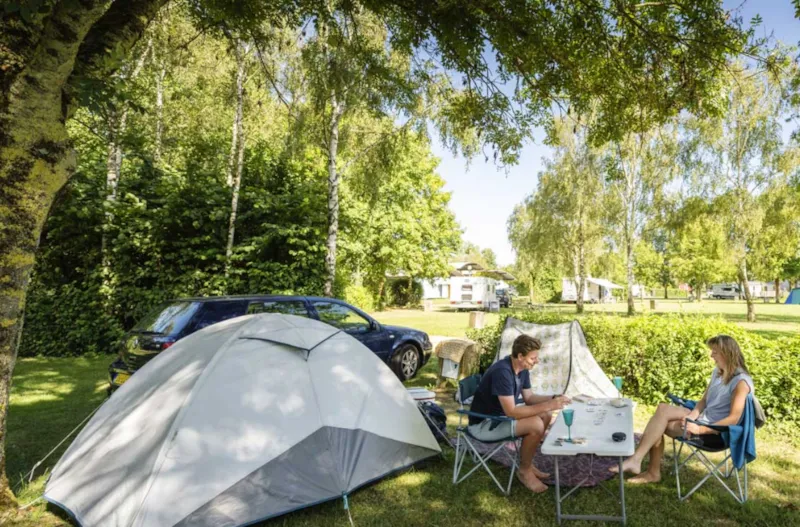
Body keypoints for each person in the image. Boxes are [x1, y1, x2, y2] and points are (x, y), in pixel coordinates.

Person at [610, 334, 754, 484]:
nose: (711, 355)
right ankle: (638, 462)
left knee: (659, 424)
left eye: (715, 352)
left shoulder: (741, 382)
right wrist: (692, 415)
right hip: (704, 418)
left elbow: (734, 419)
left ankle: (648, 469)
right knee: (662, 409)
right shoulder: (719, 372)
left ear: (727, 353)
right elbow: (704, 400)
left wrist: (700, 430)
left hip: (715, 432)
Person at [468, 334, 571, 493]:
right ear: (520, 356)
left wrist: (553, 398)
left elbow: (529, 398)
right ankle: (524, 471)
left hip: (500, 418)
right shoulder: (502, 372)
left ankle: (527, 464)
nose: (536, 361)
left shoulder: (522, 369)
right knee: (536, 424)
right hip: (484, 424)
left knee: (546, 415)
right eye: (533, 358)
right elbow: (512, 411)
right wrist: (549, 405)